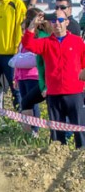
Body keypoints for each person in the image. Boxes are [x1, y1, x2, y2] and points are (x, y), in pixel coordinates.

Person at [22, 10, 85, 148]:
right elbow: (28, 44)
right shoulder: (46, 42)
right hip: (54, 93)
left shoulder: (77, 41)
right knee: (57, 135)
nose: (57, 24)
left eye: (60, 20)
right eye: (54, 21)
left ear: (67, 22)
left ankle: (81, 155)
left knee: (80, 131)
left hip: (75, 93)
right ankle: (56, 157)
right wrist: (32, 25)